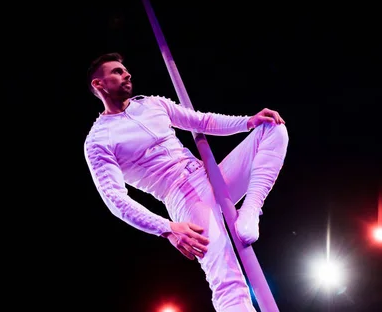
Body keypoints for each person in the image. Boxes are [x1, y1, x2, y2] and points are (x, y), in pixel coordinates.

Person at [84, 52, 289, 312]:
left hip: (209, 175)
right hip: (182, 197)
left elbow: (202, 121)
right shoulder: (98, 140)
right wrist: (166, 228)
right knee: (226, 277)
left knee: (273, 128)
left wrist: (248, 121)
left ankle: (250, 210)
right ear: (98, 84)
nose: (127, 74)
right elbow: (115, 199)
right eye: (116, 71)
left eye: (125, 70)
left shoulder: (152, 104)